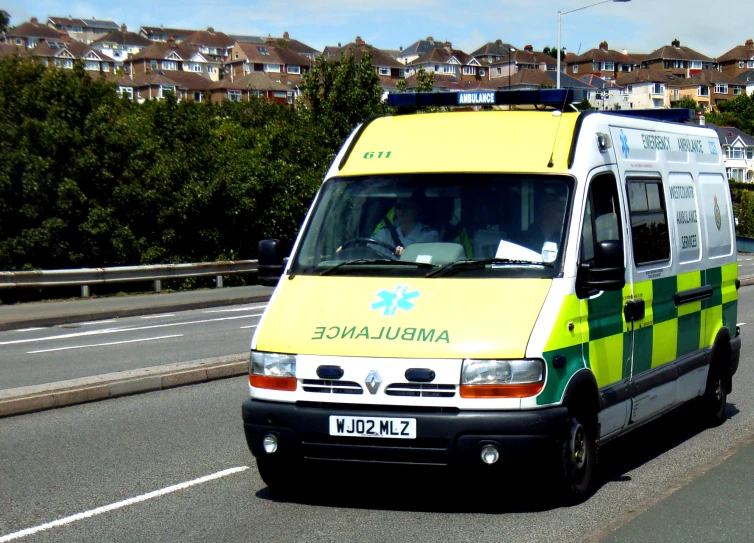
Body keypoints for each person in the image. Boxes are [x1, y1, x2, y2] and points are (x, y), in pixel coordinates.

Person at [373, 193, 439, 256]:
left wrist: (407, 254)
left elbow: (426, 261)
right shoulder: (386, 233)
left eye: (407, 206)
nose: (402, 210)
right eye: (399, 206)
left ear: (417, 210)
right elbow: (369, 251)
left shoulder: (429, 235)